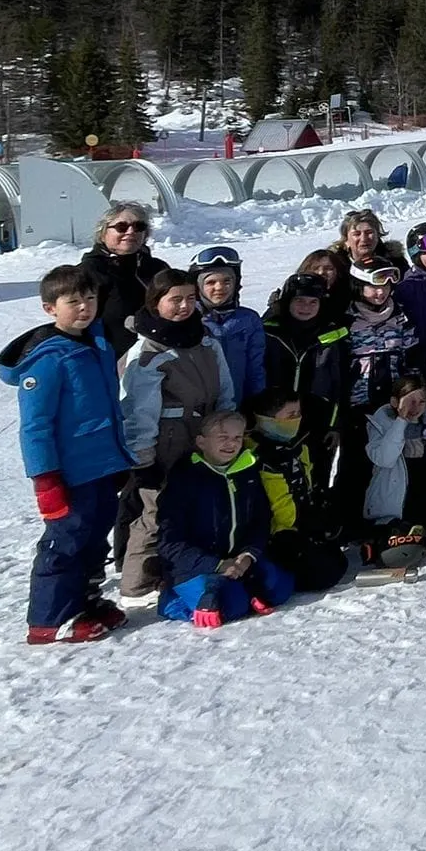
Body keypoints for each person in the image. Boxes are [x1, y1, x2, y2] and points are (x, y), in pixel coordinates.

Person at [0, 264, 134, 644]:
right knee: (65, 542)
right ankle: (49, 619)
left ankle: (86, 601)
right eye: (72, 301)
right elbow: (35, 427)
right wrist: (45, 479)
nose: (84, 308)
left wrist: (118, 458)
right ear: (49, 309)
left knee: (95, 539)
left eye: (90, 299)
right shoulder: (47, 361)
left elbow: (108, 407)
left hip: (103, 465)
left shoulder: (98, 344)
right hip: (69, 473)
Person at [117, 269, 238, 604]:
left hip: (206, 435)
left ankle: (181, 570)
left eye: (189, 298)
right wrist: (144, 458)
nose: (184, 306)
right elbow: (137, 410)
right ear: (157, 304)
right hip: (168, 440)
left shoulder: (205, 340)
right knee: (158, 510)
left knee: (197, 506)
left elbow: (224, 388)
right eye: (175, 300)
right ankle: (137, 582)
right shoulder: (148, 352)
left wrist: (227, 426)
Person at [157, 410, 293, 628]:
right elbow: (169, 542)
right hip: (195, 566)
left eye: (237, 437)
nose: (231, 444)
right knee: (231, 606)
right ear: (201, 442)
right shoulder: (185, 477)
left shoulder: (246, 470)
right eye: (223, 437)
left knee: (280, 587)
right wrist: (216, 564)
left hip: (236, 560)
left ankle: (241, 587)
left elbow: (260, 519)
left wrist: (249, 554)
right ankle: (171, 599)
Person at [244, 386, 350, 592]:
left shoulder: (299, 446)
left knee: (336, 561)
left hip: (300, 524)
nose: (296, 419)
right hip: (275, 532)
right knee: (322, 573)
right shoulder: (255, 454)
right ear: (267, 418)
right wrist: (300, 523)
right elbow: (278, 503)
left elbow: (307, 485)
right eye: (290, 415)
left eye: (299, 414)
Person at [338, 260, 418, 528]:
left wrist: (412, 394)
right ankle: (350, 520)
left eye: (385, 286)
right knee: (356, 464)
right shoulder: (347, 320)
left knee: (393, 461)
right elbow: (337, 365)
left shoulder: (401, 316)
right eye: (373, 287)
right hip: (359, 404)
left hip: (392, 404)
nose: (380, 292)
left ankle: (395, 517)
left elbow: (412, 357)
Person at [364, 374, 426, 563]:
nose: (415, 407)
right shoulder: (379, 425)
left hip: (424, 502)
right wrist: (401, 421)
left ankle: (418, 535)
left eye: (421, 402)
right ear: (395, 402)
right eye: (410, 402)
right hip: (393, 508)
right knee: (397, 540)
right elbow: (384, 458)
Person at [261, 272, 347, 485]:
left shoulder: (332, 335)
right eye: (299, 300)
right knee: (275, 477)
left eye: (312, 302)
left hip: (316, 422)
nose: (305, 307)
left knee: (315, 476)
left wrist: (334, 425)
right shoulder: (269, 331)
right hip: (274, 420)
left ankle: (314, 513)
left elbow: (340, 383)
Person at [80, 201, 170, 358]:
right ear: (103, 233)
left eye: (139, 227)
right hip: (110, 360)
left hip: (161, 356)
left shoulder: (158, 268)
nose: (130, 232)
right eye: (121, 227)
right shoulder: (89, 272)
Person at [193, 246, 267, 402]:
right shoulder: (189, 320)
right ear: (198, 286)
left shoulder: (248, 320)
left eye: (227, 281)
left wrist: (257, 401)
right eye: (211, 282)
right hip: (196, 411)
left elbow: (256, 368)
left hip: (235, 408)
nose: (219, 287)